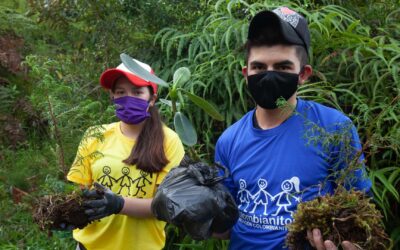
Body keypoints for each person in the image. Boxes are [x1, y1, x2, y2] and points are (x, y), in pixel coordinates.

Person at [214, 6, 371, 250]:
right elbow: (224, 227)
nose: (269, 75)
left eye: (283, 67)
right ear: (246, 74)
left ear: (303, 74)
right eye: (259, 67)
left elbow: (360, 213)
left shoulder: (334, 128)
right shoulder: (228, 140)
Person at [67, 58, 185, 250]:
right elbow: (80, 190)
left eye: (137, 92)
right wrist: (69, 211)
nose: (128, 98)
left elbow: (168, 205)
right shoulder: (94, 135)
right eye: (121, 92)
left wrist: (119, 204)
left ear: (152, 98)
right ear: (112, 96)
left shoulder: (169, 142)